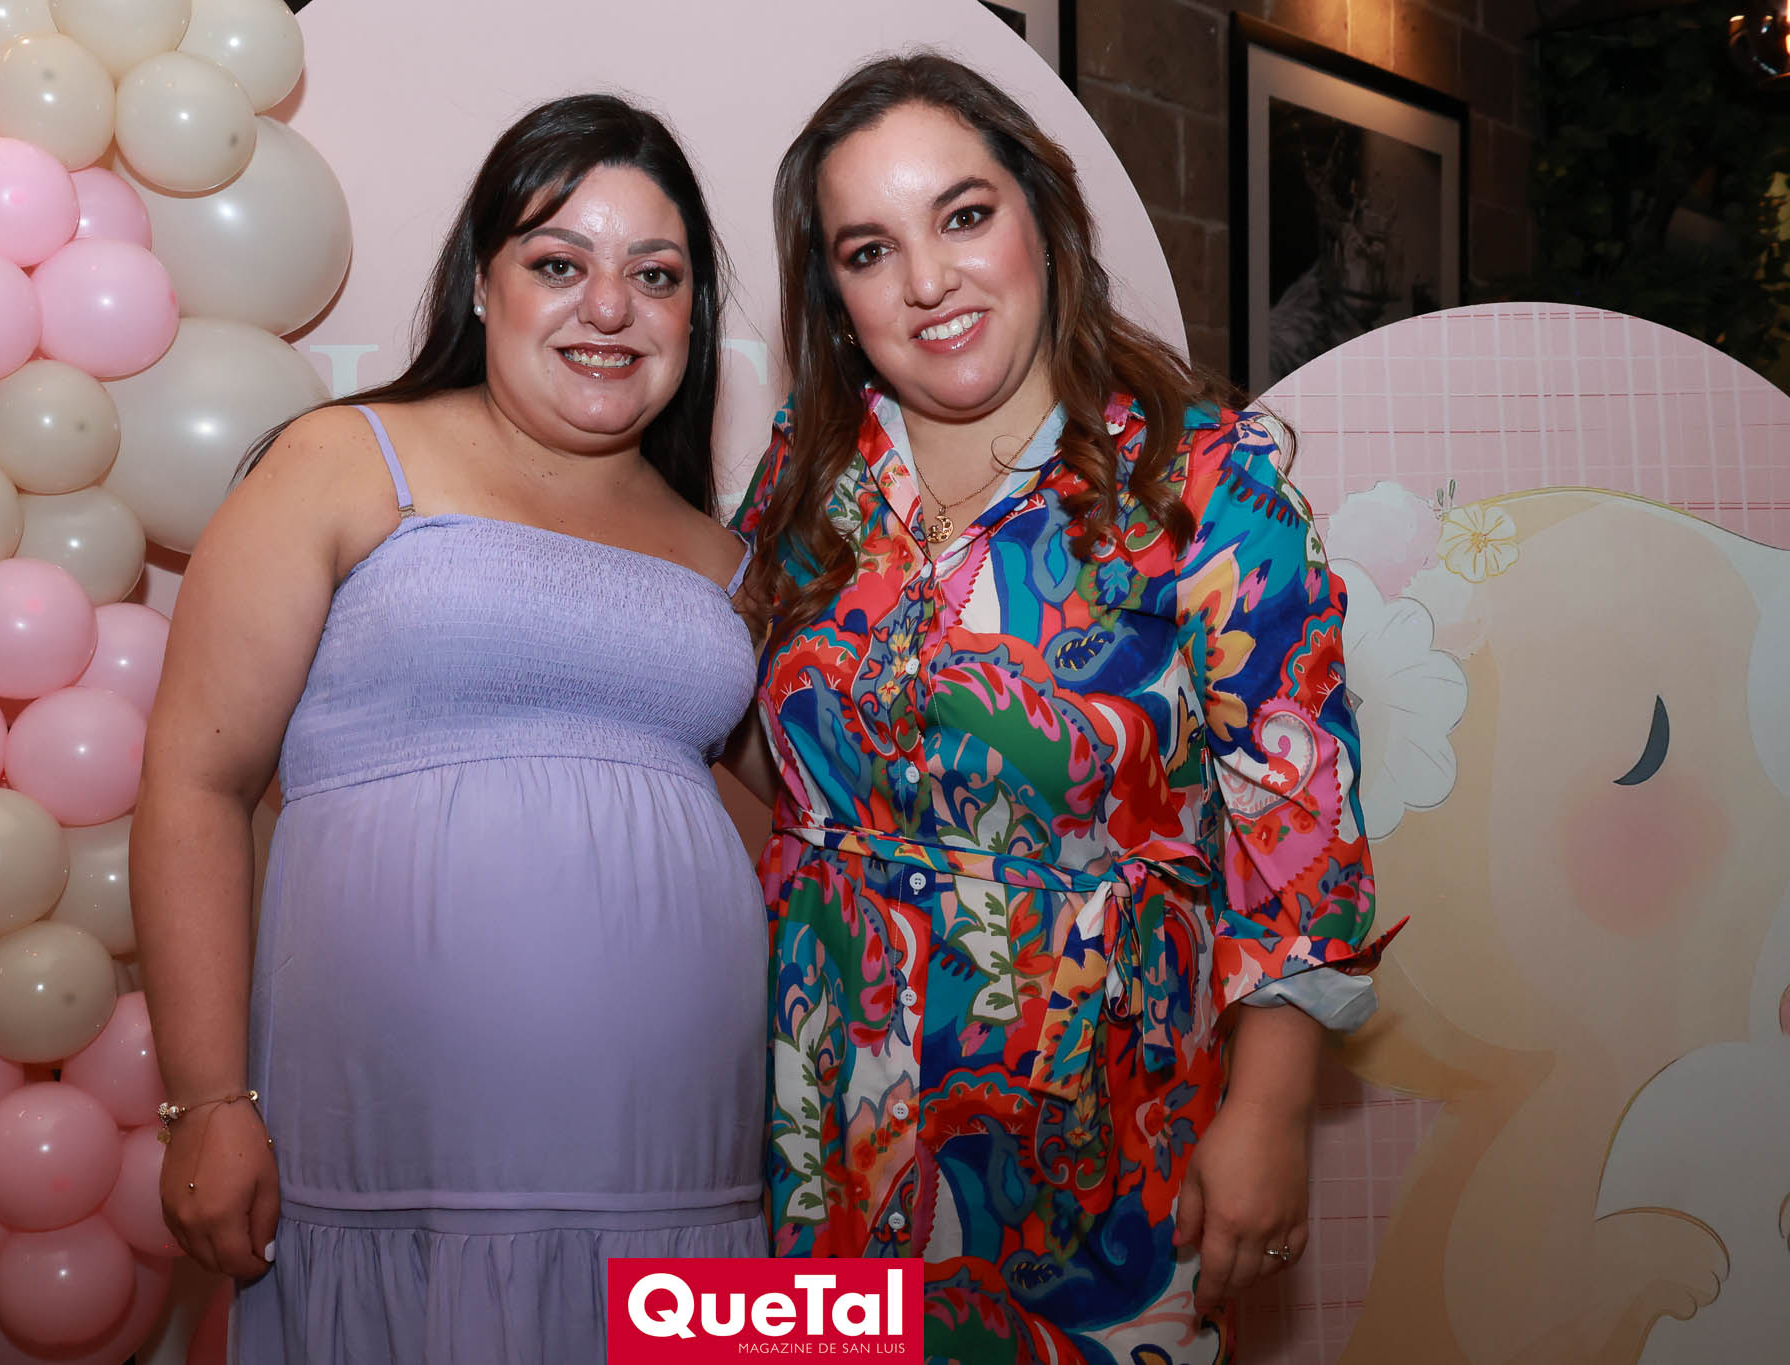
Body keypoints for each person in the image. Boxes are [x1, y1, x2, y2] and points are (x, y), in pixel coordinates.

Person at [729, 53, 1396, 1361]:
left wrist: (1268, 1114)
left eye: (963, 215)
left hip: (1097, 1111)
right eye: (869, 249)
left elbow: (1298, 836)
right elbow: (764, 755)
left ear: (1042, 217)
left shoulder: (1204, 484)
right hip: (811, 1091)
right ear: (834, 292)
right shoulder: (806, 476)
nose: (928, 281)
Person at [130, 94, 767, 1364]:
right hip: (386, 1163)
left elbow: (811, 818)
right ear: (482, 284)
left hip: (687, 1171)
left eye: (655, 275)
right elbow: (195, 785)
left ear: (693, 317)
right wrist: (204, 1102)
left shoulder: (727, 558)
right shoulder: (343, 459)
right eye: (557, 264)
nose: (608, 308)